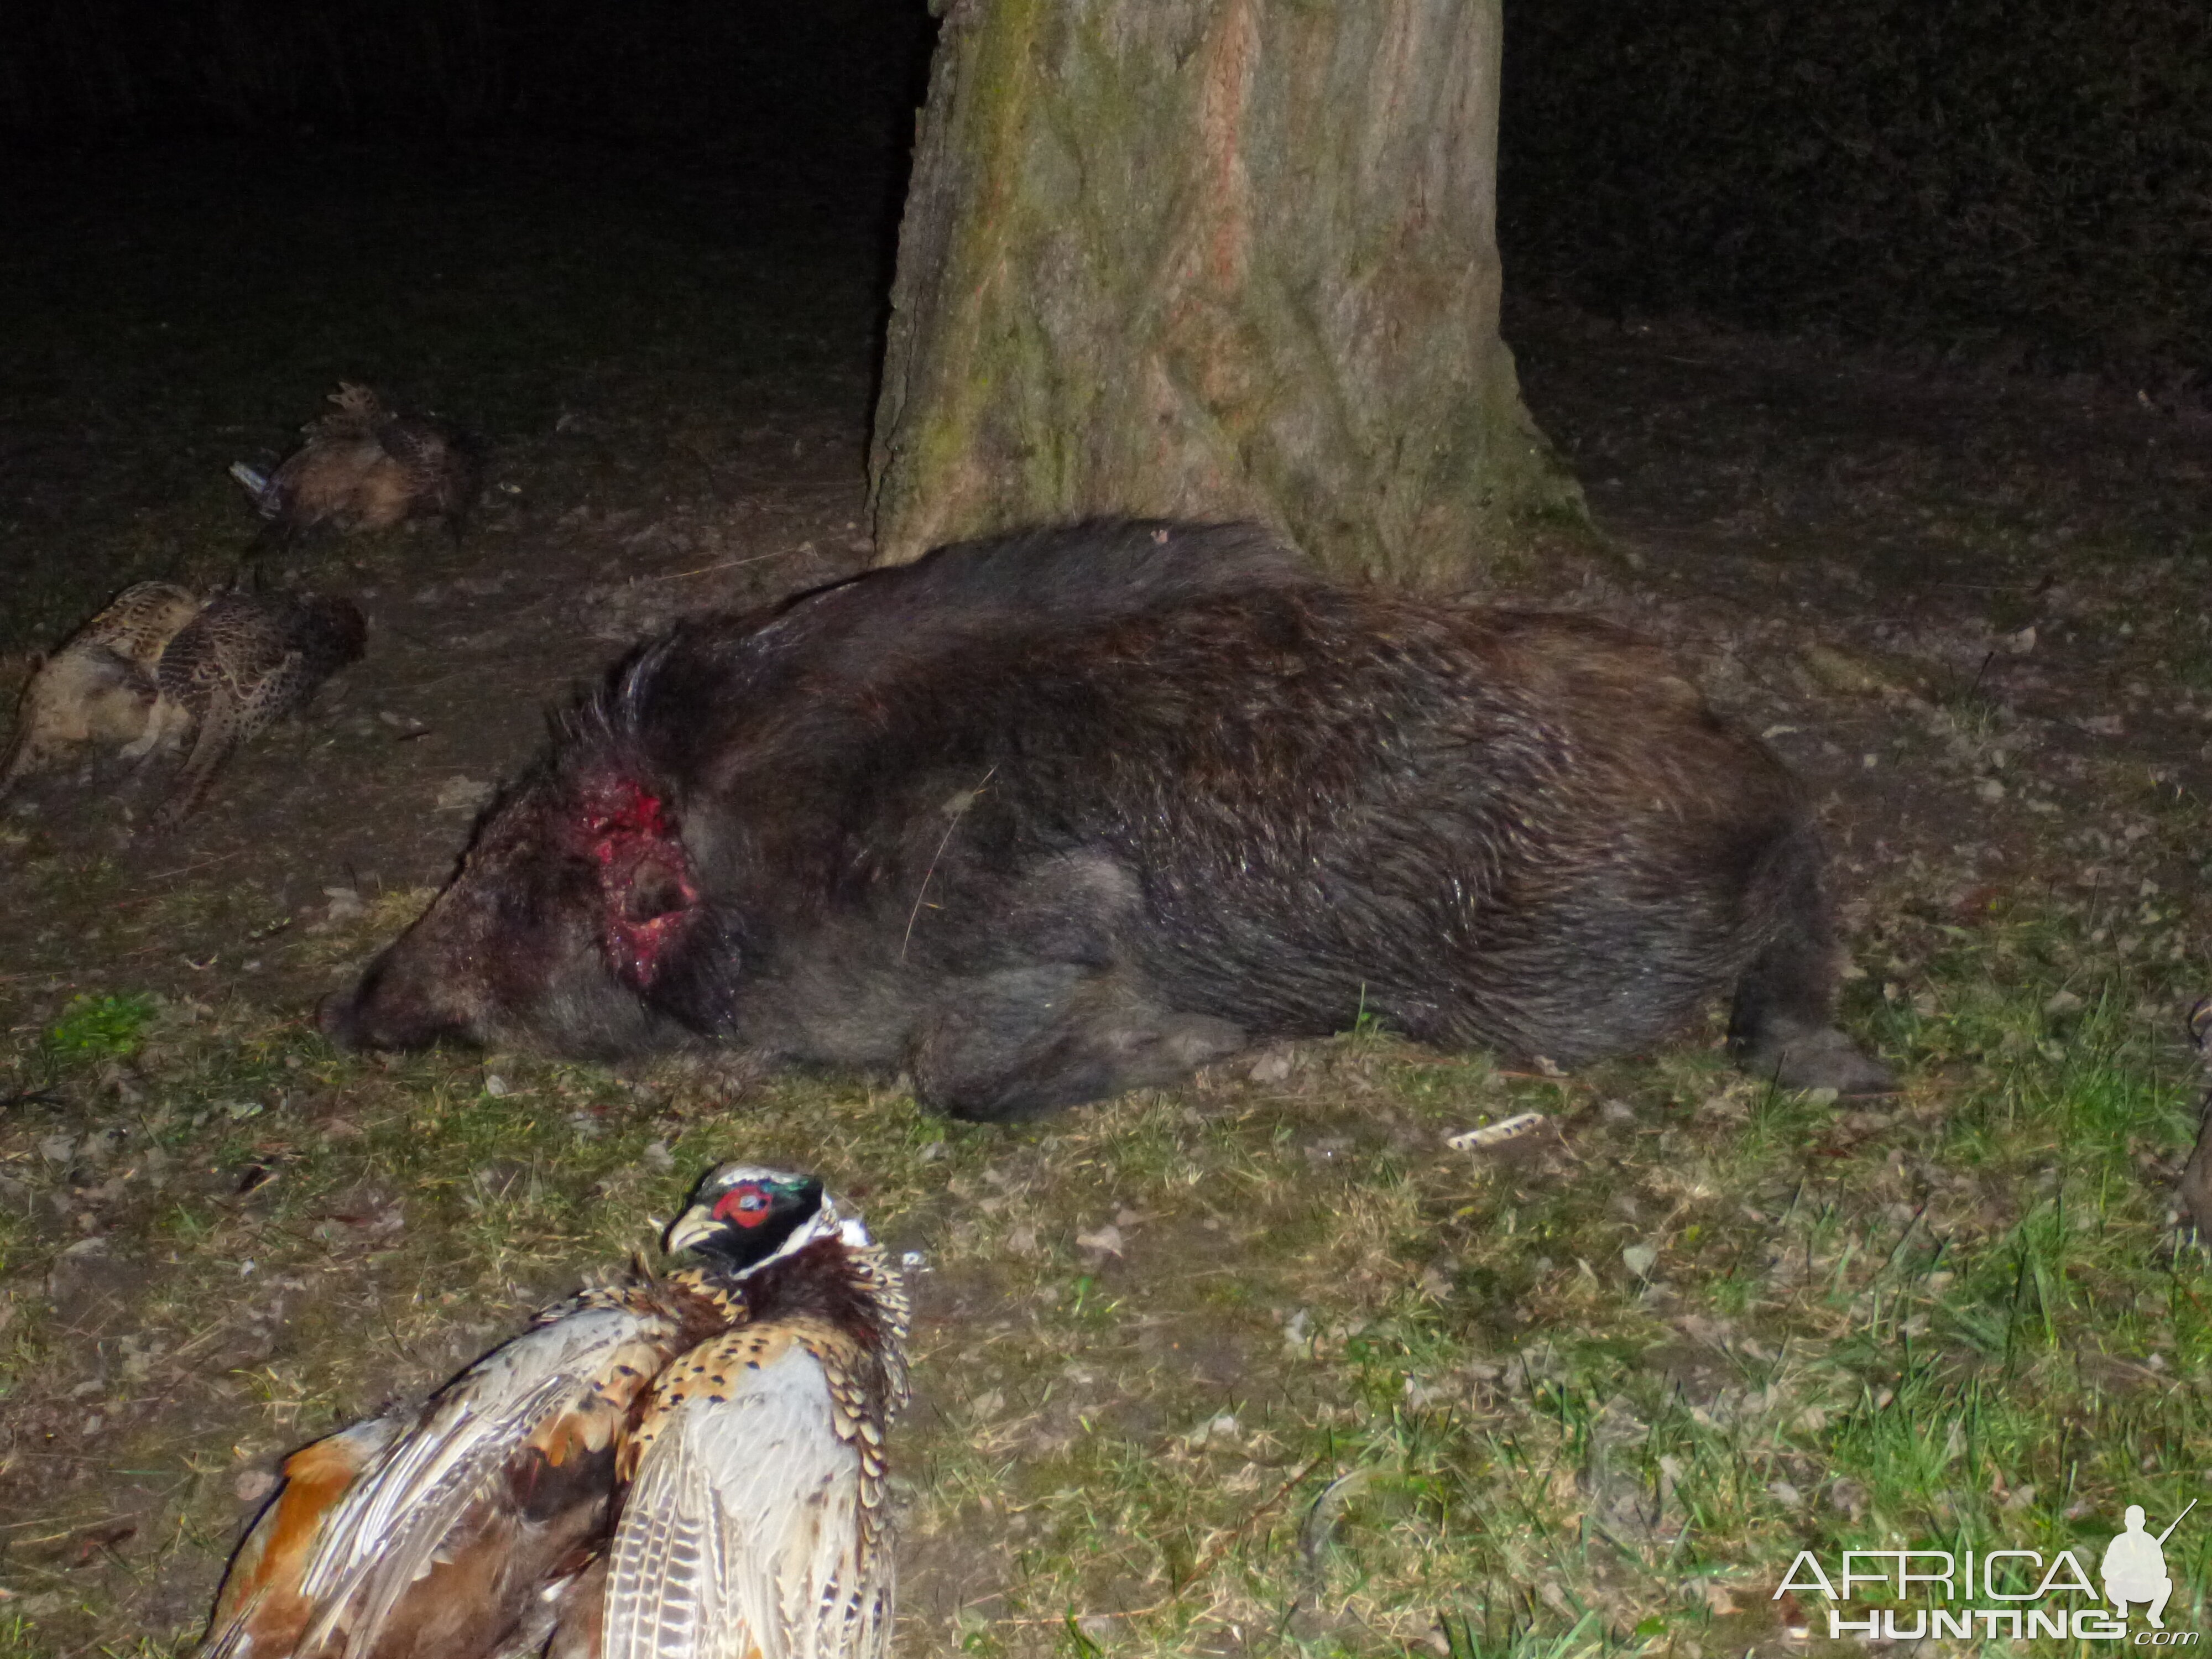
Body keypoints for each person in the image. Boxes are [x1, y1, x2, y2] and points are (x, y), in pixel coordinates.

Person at [2103, 1506, 2174, 1629]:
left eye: (2138, 1520)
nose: (2135, 1524)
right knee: (2109, 1583)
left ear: (2143, 1522)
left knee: (2167, 1583)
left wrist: (2148, 1568)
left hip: (2146, 1588)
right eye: (2132, 1521)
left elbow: (2162, 1570)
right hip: (2123, 1587)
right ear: (2126, 1522)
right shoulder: (2118, 1542)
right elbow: (2106, 1569)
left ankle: (2154, 1615)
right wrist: (2122, 1571)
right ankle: (2121, 1607)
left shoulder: (2150, 1542)